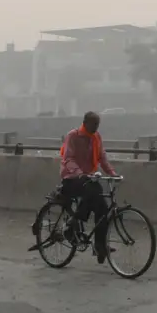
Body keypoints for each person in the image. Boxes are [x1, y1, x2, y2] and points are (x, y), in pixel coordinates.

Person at [59, 111, 118, 262]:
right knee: (93, 190)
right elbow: (68, 158)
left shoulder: (96, 137)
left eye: (98, 124)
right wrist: (79, 173)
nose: (96, 127)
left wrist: (112, 173)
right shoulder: (73, 136)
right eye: (94, 124)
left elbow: (102, 157)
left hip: (89, 179)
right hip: (71, 178)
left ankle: (99, 245)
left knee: (103, 208)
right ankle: (71, 224)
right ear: (85, 123)